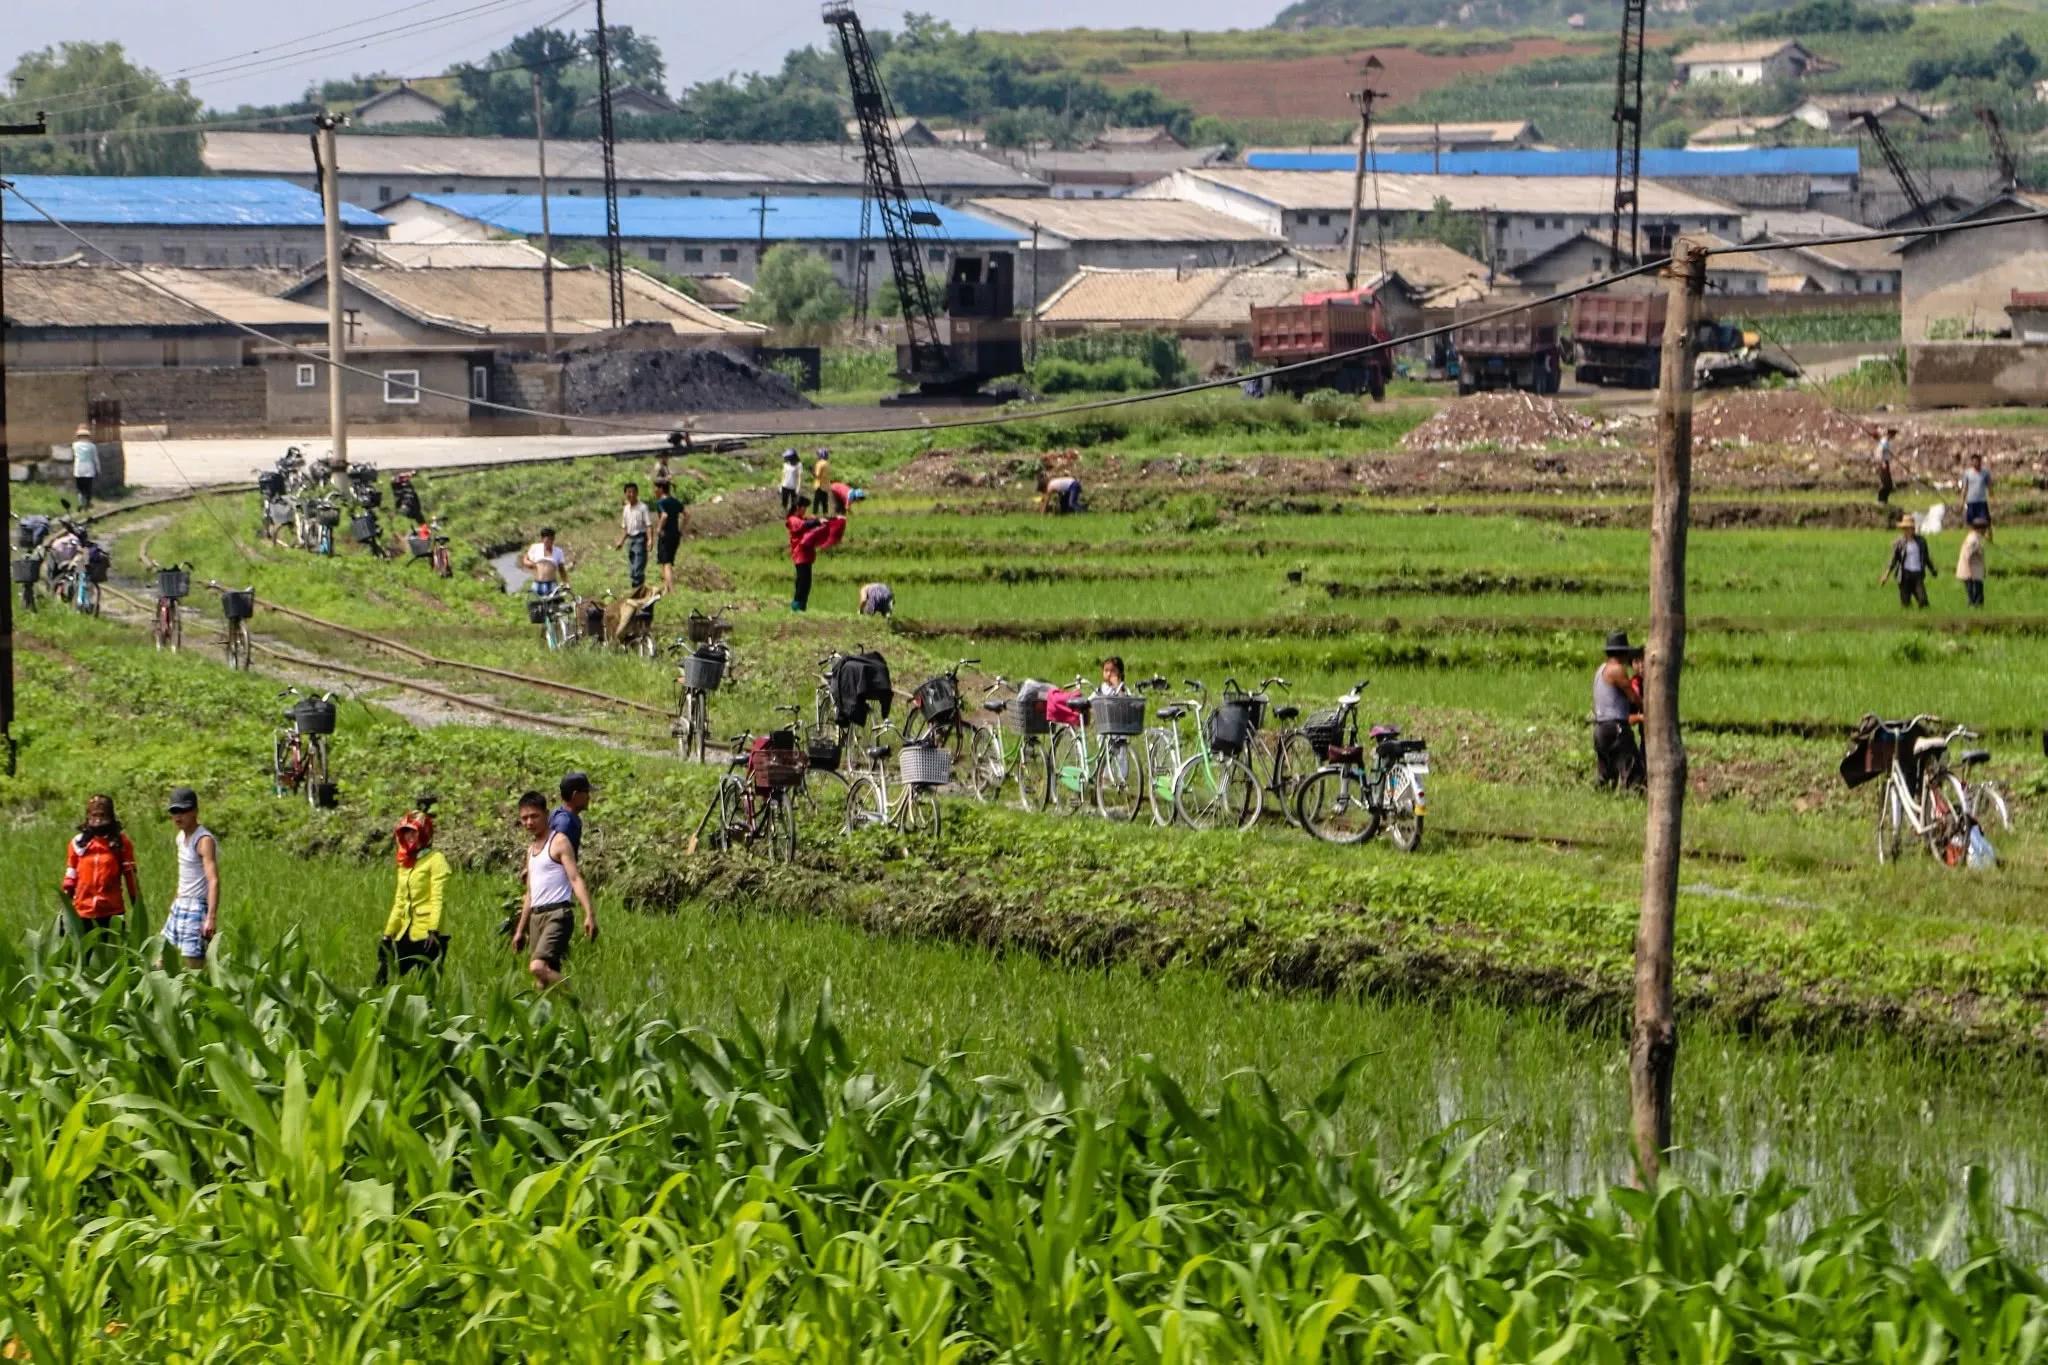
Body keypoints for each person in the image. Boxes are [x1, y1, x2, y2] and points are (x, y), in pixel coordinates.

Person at [512, 789, 595, 991]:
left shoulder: (559, 842)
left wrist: (589, 914)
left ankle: (580, 1000)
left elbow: (575, 878)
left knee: (537, 967)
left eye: (534, 816)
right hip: (536, 917)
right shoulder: (531, 851)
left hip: (558, 914)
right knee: (543, 983)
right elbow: (530, 895)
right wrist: (520, 931)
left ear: (546, 815)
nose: (529, 822)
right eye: (524, 818)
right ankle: (565, 1014)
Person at [378, 806, 450, 984]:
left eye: (413, 833)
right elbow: (399, 902)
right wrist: (388, 934)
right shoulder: (406, 863)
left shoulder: (436, 859)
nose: (409, 837)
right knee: (384, 977)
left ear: (424, 834)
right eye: (406, 834)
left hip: (429, 934)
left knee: (427, 985)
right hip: (406, 930)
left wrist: (434, 930)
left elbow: (437, 898)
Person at [62, 794, 142, 943]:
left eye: (103, 815)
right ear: (88, 816)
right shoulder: (78, 843)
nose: (98, 819)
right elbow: (70, 878)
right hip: (83, 912)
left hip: (112, 913)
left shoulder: (120, 843)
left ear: (111, 816)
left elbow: (130, 878)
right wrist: (64, 911)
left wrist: (137, 908)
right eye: (94, 815)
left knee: (113, 956)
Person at [157, 787, 219, 972]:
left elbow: (213, 880)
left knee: (194, 963)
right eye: (174, 811)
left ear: (194, 812)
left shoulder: (204, 840)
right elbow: (184, 874)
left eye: (183, 811)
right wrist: (176, 900)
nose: (178, 816)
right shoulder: (180, 837)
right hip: (180, 904)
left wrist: (211, 918)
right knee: (161, 955)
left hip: (196, 906)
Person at [1592, 631, 1645, 792]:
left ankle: (1601, 798)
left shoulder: (1601, 669)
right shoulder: (1617, 670)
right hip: (1616, 728)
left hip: (1600, 728)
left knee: (1606, 772)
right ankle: (1634, 800)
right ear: (1622, 652)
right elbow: (1633, 698)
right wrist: (1648, 712)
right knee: (1633, 770)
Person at [786, 510, 846, 612]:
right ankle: (796, 606)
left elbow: (813, 522)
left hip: (807, 555)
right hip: (800, 554)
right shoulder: (792, 519)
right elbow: (804, 525)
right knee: (802, 581)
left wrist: (833, 519)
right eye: (803, 507)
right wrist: (817, 521)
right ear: (797, 507)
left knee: (807, 582)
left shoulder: (802, 518)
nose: (804, 510)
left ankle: (802, 606)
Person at [1881, 513, 1934, 608]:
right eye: (1904, 528)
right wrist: (1886, 575)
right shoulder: (1899, 543)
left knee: (1923, 601)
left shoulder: (1921, 541)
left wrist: (1932, 570)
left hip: (1917, 575)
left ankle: (1924, 618)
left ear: (1913, 529)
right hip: (1904, 575)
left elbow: (1926, 558)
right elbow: (1893, 560)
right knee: (1905, 604)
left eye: (1908, 528)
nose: (1906, 531)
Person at [651, 478, 689, 596]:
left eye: (656, 488)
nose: (654, 490)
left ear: (661, 489)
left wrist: (659, 529)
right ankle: (666, 589)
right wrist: (681, 530)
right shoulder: (675, 501)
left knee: (666, 563)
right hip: (675, 535)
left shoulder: (660, 503)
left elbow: (664, 515)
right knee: (665, 562)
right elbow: (687, 515)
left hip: (665, 535)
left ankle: (672, 591)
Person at [615, 482, 651, 591]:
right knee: (632, 570)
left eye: (633, 492)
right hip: (630, 540)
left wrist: (650, 540)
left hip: (640, 538)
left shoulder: (643, 507)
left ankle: (638, 591)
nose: (631, 494)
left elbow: (649, 525)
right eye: (628, 492)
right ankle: (638, 590)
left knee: (637, 569)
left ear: (637, 493)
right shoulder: (626, 509)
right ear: (625, 494)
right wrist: (621, 541)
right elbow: (625, 528)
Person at [552, 771, 592, 858]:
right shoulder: (565, 823)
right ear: (575, 795)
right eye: (586, 792)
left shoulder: (558, 814)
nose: (589, 797)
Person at [521, 527, 569, 596]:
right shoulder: (535, 548)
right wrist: (531, 564)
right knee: (536, 605)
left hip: (552, 584)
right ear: (542, 539)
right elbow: (525, 559)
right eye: (547, 540)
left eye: (552, 539)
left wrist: (566, 583)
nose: (550, 542)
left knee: (555, 604)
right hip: (537, 584)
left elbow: (562, 569)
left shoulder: (558, 551)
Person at [1957, 516, 1988, 608]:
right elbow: (1966, 556)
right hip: (1971, 572)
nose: (1986, 531)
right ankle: (1974, 610)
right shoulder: (1973, 540)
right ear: (1980, 529)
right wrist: (1968, 572)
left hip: (1976, 571)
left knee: (1977, 595)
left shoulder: (1976, 537)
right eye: (1984, 528)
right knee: (1975, 596)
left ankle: (1976, 610)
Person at [70, 423, 100, 510]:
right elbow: (95, 459)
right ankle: (87, 503)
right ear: (88, 436)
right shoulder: (92, 446)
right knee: (88, 487)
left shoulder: (74, 445)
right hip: (89, 469)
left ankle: (80, 503)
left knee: (80, 487)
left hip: (78, 468)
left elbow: (72, 456)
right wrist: (98, 469)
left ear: (78, 436)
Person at [1961, 453, 1991, 530]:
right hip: (1971, 501)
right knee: (1971, 522)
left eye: (1977, 461)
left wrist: (1992, 498)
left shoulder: (1985, 473)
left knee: (1985, 521)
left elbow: (1989, 487)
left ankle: (1987, 537)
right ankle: (1973, 538)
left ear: (1980, 461)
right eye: (1973, 461)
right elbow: (1965, 487)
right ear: (1971, 462)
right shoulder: (1967, 473)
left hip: (1981, 501)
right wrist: (1962, 501)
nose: (1975, 463)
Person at [1872, 427, 1896, 507]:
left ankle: (1884, 501)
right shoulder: (1884, 441)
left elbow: (1883, 451)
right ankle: (1881, 501)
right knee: (1886, 484)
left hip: (1885, 462)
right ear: (1890, 434)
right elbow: (1879, 451)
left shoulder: (1885, 442)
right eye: (1893, 434)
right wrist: (1883, 462)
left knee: (1888, 484)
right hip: (1883, 463)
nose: (1894, 436)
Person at [810, 447, 834, 515]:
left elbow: (817, 476)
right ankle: (825, 514)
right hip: (826, 485)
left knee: (816, 501)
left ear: (821, 455)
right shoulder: (827, 463)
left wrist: (811, 470)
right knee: (824, 502)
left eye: (818, 454)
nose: (817, 456)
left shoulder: (819, 463)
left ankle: (814, 515)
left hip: (819, 485)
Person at [779, 448, 803, 515]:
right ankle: (784, 513)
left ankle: (792, 514)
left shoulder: (799, 465)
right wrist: (780, 485)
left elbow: (799, 477)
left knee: (794, 503)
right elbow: (783, 475)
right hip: (785, 486)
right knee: (784, 501)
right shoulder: (785, 464)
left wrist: (798, 487)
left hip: (793, 487)